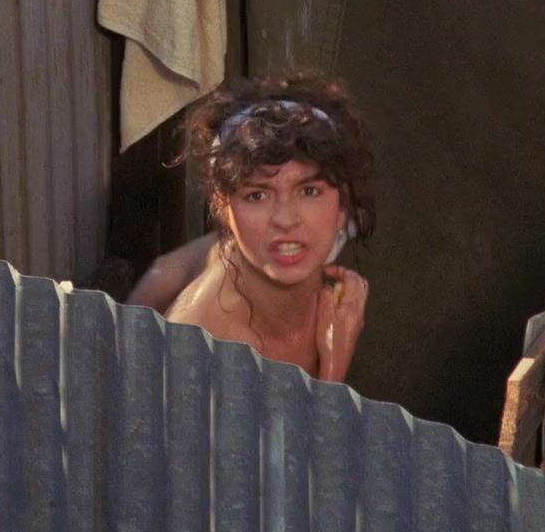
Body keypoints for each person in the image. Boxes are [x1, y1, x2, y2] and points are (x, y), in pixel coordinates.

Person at [126, 70, 376, 382]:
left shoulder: (262, 251)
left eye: (309, 191)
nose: (286, 220)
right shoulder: (209, 346)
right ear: (223, 208)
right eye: (257, 195)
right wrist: (335, 360)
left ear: (344, 203)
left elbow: (168, 267)